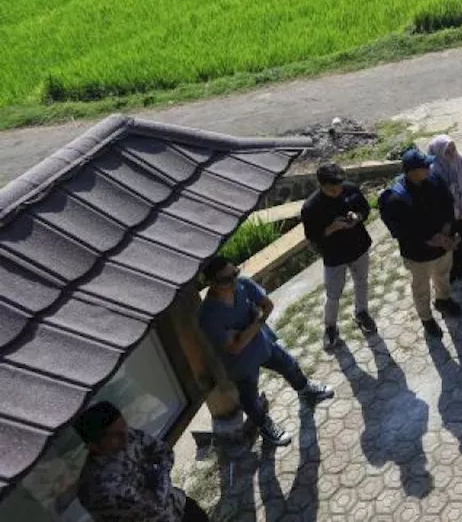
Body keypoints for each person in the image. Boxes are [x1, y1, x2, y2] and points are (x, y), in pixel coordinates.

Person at [198, 257, 334, 447]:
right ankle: (264, 426)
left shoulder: (243, 284)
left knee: (290, 365)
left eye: (235, 273)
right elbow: (235, 348)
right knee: (250, 399)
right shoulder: (208, 315)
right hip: (241, 363)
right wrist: (257, 320)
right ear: (211, 283)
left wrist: (244, 332)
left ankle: (305, 390)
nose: (234, 280)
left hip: (264, 344)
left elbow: (267, 305)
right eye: (226, 279)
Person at [74, 401, 209, 522]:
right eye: (116, 435)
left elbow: (164, 452)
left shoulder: (126, 436)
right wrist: (159, 473)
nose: (126, 436)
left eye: (124, 427)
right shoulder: (99, 487)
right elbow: (155, 505)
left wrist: (157, 480)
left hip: (179, 506)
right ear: (94, 445)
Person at [379, 148, 460, 338]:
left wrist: (447, 229)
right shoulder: (395, 197)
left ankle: (443, 300)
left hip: (442, 246)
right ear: (412, 171)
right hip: (418, 253)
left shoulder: (434, 180)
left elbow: (448, 203)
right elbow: (400, 230)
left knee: (442, 275)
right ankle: (426, 318)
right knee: (421, 286)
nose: (429, 167)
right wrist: (430, 239)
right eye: (425, 166)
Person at [300, 162, 377, 352]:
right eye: (332, 188)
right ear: (321, 185)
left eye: (339, 186)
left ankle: (361, 313)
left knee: (362, 282)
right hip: (334, 256)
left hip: (358, 247)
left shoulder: (350, 189)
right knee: (333, 294)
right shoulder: (311, 207)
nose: (337, 191)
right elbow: (312, 236)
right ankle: (330, 326)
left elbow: (365, 209)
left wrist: (357, 217)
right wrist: (330, 229)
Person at [427, 135, 462, 283]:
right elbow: (441, 199)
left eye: (453, 149)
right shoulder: (433, 170)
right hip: (447, 217)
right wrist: (455, 213)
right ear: (438, 152)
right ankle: (452, 274)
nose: (452, 153)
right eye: (446, 151)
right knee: (450, 247)